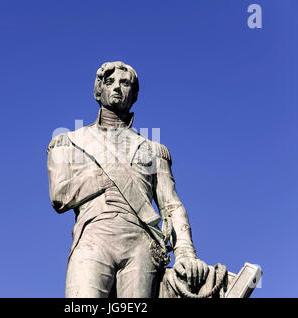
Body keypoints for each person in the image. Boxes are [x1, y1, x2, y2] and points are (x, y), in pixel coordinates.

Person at [47, 61, 209, 297]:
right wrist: (107, 173)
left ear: (134, 95)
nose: (116, 88)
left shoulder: (154, 150)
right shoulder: (69, 142)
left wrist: (185, 252)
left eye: (125, 83)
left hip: (141, 244)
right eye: (109, 82)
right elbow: (59, 196)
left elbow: (171, 205)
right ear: (98, 90)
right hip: (93, 236)